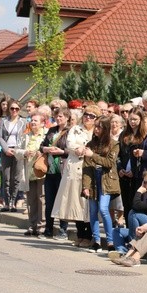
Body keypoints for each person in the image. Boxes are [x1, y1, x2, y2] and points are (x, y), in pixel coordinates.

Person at [54, 104, 98, 248]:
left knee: (88, 204)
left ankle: (89, 235)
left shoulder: (98, 131)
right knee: (75, 203)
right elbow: (69, 143)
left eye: (92, 116)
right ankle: (80, 234)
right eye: (86, 114)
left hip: (90, 169)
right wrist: (77, 149)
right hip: (75, 168)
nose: (88, 118)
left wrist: (86, 150)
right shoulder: (75, 129)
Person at [82, 115, 120, 252]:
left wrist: (93, 155)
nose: (96, 129)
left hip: (107, 180)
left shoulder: (114, 144)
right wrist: (85, 186)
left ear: (105, 128)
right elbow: (86, 167)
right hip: (93, 179)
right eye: (96, 126)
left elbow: (109, 163)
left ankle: (110, 242)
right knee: (92, 211)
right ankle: (96, 241)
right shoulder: (90, 144)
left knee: (103, 209)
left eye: (99, 126)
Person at [40, 108, 70, 239]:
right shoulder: (52, 130)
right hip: (50, 170)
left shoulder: (71, 132)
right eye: (57, 116)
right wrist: (46, 149)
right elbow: (42, 145)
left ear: (67, 117)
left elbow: (72, 150)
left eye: (61, 116)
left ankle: (63, 230)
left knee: (62, 201)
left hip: (63, 170)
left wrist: (61, 151)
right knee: (49, 201)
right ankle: (48, 229)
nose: (58, 119)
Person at [17, 112, 47, 235]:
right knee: (31, 200)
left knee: (41, 199)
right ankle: (32, 225)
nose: (33, 122)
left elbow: (48, 148)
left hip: (41, 171)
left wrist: (41, 152)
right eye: (32, 120)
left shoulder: (45, 135)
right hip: (28, 171)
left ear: (42, 123)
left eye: (36, 121)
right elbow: (16, 150)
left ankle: (41, 226)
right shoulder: (26, 135)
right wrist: (24, 152)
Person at [0, 100, 26, 212]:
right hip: (6, 150)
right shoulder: (3, 121)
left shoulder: (23, 122)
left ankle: (13, 202)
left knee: (16, 178)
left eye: (16, 109)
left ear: (19, 110)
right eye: (12, 108)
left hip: (18, 151)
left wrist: (18, 150)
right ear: (9, 109)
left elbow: (25, 137)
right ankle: (6, 203)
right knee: (6, 178)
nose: (14, 111)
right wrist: (6, 149)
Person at [118, 107, 147, 215]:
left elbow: (143, 157)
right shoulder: (123, 134)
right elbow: (118, 154)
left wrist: (134, 171)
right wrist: (120, 168)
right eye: (130, 119)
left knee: (136, 203)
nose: (132, 122)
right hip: (124, 175)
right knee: (126, 204)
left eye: (135, 119)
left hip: (137, 176)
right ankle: (129, 229)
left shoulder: (145, 136)